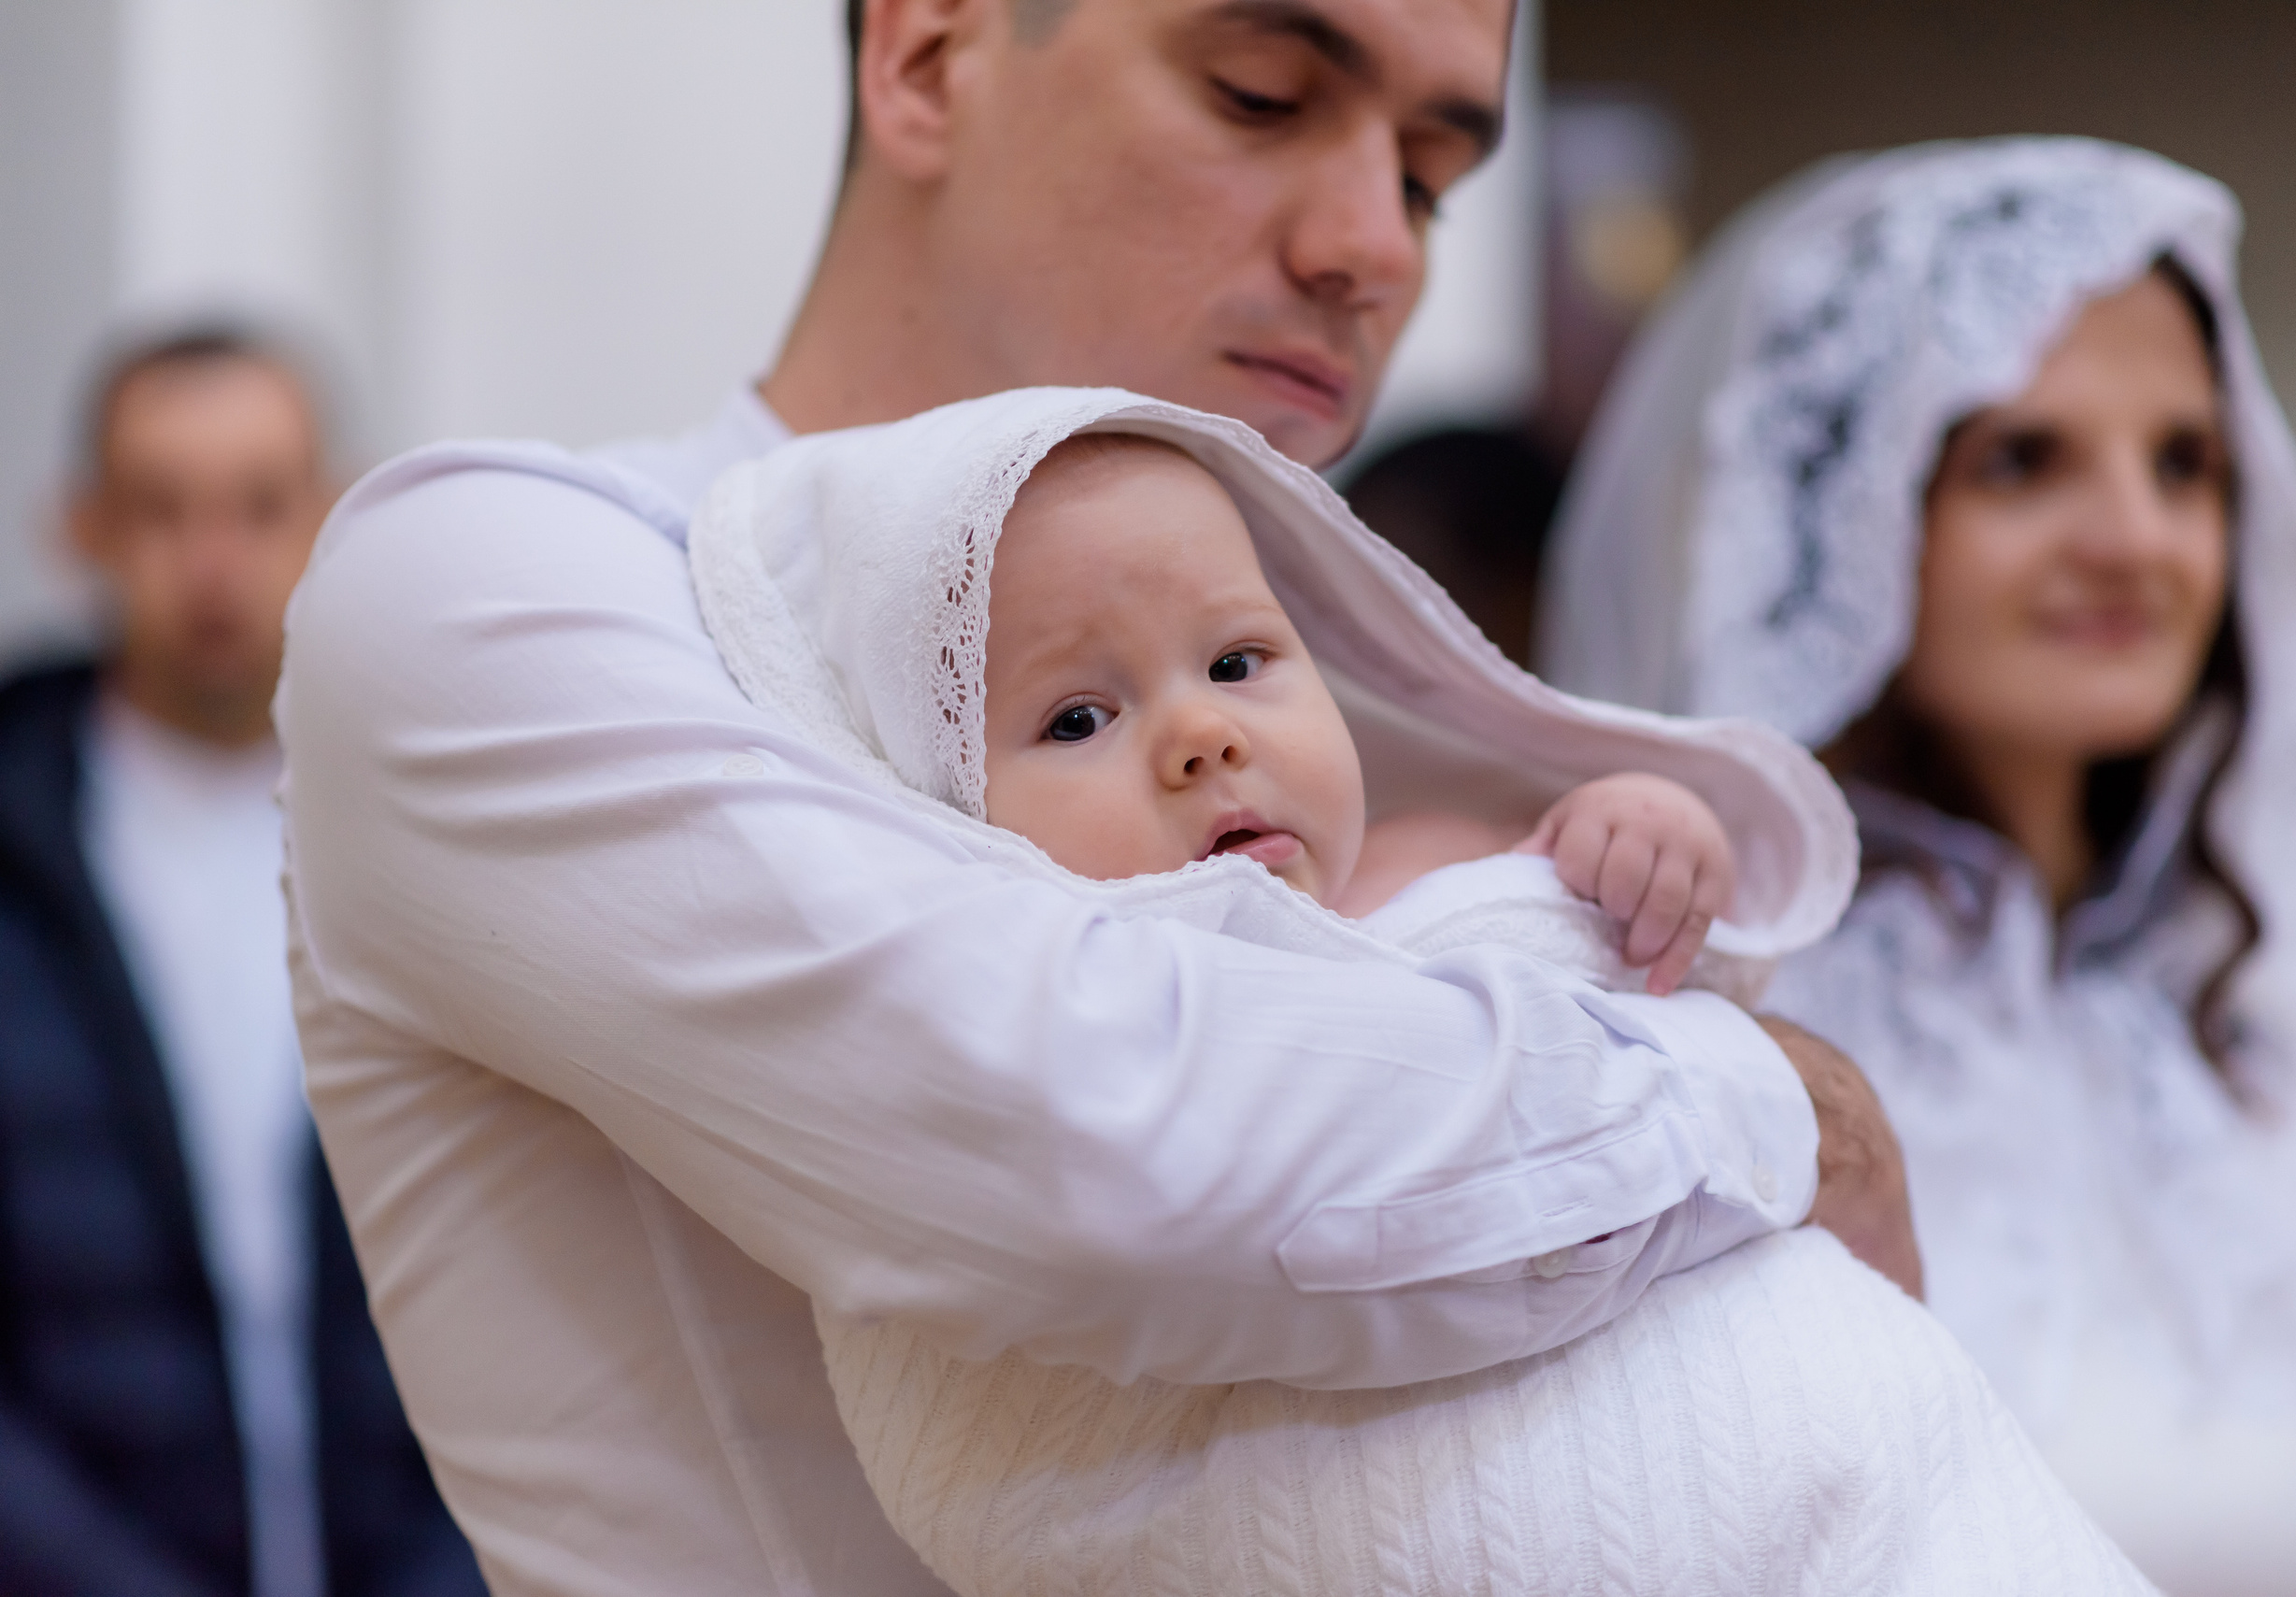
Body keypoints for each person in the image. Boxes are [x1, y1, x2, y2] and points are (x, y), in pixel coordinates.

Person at [275, 2, 1916, 1590]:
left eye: (1427, 173)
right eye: (1263, 93)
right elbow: (1099, 1141)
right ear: (929, 54)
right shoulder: (500, 589)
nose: (1379, 246)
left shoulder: (1330, 712)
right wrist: (1774, 1103)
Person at [688, 383, 2155, 1596]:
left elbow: (1659, 967)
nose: (1201, 732)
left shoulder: (1434, 855)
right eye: (1079, 713)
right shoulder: (1020, 1023)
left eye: (1240, 657)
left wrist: (1642, 836)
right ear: (941, 808)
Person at [1538, 136, 2296, 1594]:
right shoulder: (1709, 1015)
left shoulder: (2272, 1014)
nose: (2137, 538)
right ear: (1841, 522)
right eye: (2023, 459)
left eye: (2185, 463)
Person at [0, 328, 483, 1596]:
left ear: (331, 512)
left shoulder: (462, 834)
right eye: (162, 508)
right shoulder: (22, 847)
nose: (213, 562)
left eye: (260, 505)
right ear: (84, 527)